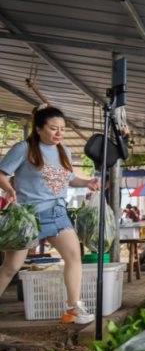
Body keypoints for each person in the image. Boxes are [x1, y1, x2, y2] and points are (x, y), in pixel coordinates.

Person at [0, 106, 99, 324]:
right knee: (11, 267)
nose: (59, 133)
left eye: (62, 129)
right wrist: (8, 188)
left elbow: (68, 180)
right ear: (38, 128)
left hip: (58, 214)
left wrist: (87, 183)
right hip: (28, 219)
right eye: (53, 128)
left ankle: (73, 308)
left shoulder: (65, 151)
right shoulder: (24, 148)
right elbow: (1, 173)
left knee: (74, 257)